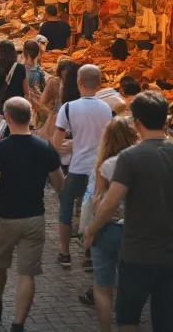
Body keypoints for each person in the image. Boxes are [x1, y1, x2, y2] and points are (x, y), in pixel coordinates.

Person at [0, 97, 63, 332]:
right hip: (34, 217)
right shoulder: (45, 148)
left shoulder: (0, 149)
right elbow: (59, 181)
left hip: (4, 216)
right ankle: (18, 324)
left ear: (8, 118)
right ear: (31, 115)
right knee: (27, 274)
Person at [85, 91, 173, 332]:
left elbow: (110, 203)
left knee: (128, 318)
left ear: (137, 123)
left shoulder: (130, 157)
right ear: (165, 121)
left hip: (138, 252)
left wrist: (92, 230)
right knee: (165, 320)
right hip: (169, 251)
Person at [79, 117, 137, 332]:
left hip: (108, 228)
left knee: (102, 287)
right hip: (134, 230)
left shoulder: (106, 165)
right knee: (128, 286)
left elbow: (99, 202)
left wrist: (90, 230)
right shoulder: (138, 161)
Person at [52, 64, 112, 268]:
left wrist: (71, 145)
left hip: (75, 169)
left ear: (78, 82)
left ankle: (65, 253)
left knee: (66, 210)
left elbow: (56, 143)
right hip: (98, 171)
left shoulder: (68, 108)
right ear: (100, 83)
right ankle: (88, 254)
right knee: (91, 210)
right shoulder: (107, 109)